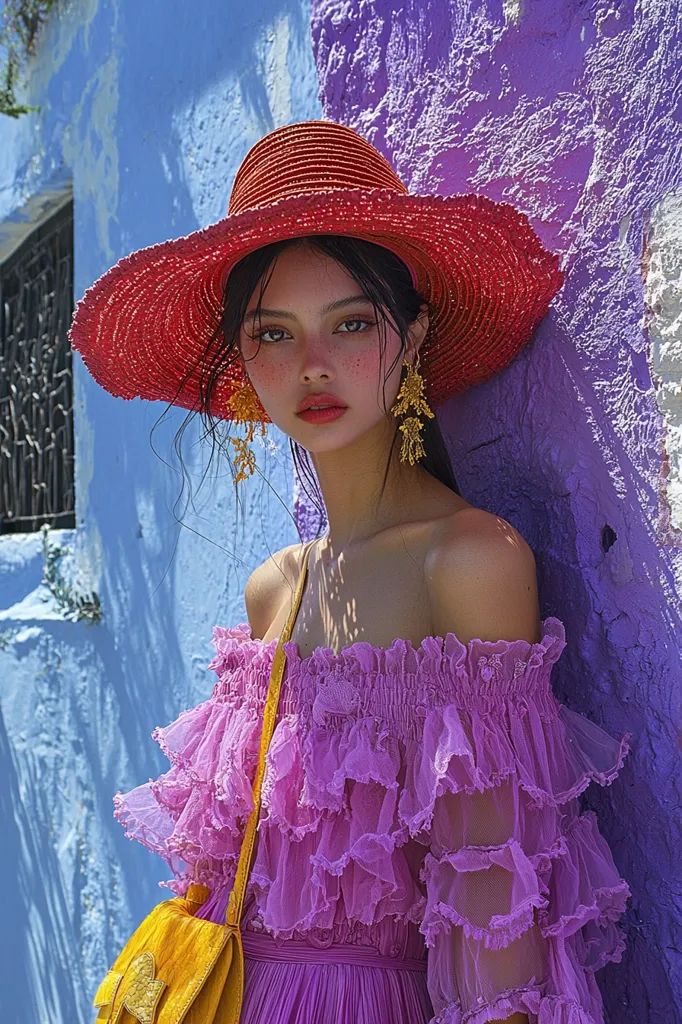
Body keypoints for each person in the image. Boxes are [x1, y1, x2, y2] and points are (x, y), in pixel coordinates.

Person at [70, 121, 631, 1024]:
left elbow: (497, 944)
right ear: (244, 362)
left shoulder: (470, 562)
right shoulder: (273, 591)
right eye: (275, 333)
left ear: (411, 335)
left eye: (352, 323)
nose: (314, 365)